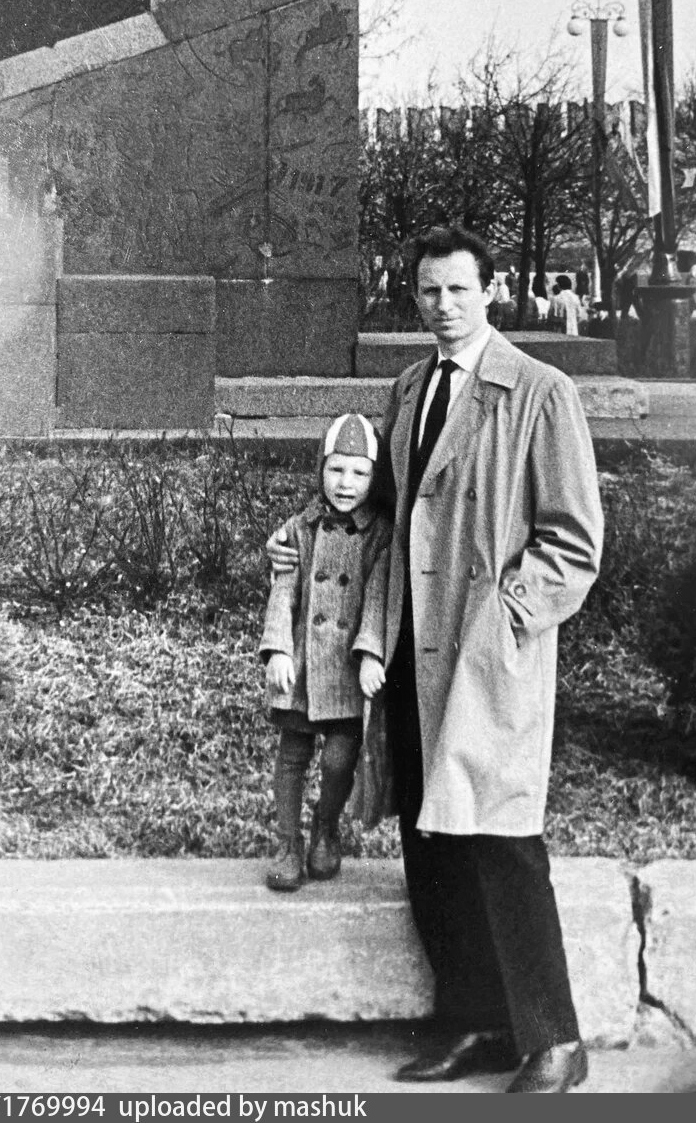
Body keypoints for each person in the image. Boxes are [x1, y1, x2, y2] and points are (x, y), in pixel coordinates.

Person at [269, 223, 604, 1093]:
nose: (443, 305)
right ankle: (474, 1022)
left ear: (488, 291)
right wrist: (304, 548)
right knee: (431, 837)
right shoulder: (410, 387)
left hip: (487, 654)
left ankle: (555, 1040)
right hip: (409, 651)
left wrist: (508, 618)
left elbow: (572, 541)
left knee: (501, 839)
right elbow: (382, 514)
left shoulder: (539, 392)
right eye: (428, 290)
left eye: (458, 289)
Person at [259, 413, 392, 893]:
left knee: (339, 760)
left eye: (359, 472)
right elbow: (283, 592)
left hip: (347, 670)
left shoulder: (380, 535)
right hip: (302, 664)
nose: (345, 483)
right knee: (292, 756)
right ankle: (287, 843)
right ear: (320, 470)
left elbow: (378, 598)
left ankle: (326, 826)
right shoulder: (300, 528)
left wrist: (371, 653)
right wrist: (278, 649)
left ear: (375, 478)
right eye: (336, 469)